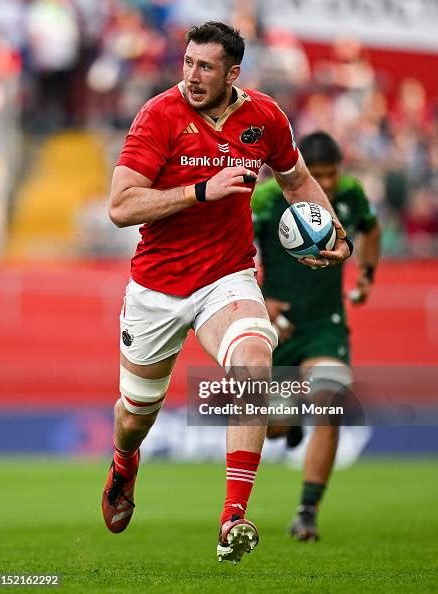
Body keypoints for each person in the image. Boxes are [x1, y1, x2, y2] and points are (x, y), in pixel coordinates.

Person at [102, 22, 351, 564]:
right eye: (188, 62)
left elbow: (297, 180)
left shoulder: (264, 117)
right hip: (157, 287)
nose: (191, 75)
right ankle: (124, 462)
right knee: (134, 415)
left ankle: (232, 517)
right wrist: (199, 191)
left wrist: (334, 230)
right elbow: (120, 207)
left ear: (232, 73)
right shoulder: (158, 115)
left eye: (205, 66)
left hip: (227, 278)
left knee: (255, 363)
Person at [252, 131, 381, 541]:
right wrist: (259, 297)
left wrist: (366, 274)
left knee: (329, 401)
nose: (325, 185)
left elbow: (371, 229)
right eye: (317, 175)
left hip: (325, 324)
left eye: (331, 175)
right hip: (278, 327)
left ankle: (307, 512)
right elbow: (236, 246)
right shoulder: (266, 199)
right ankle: (287, 423)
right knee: (269, 425)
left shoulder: (351, 193)